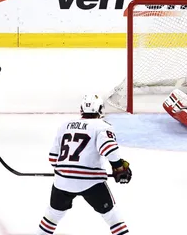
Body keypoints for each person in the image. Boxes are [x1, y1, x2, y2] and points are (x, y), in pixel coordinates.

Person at [36, 94, 132, 235]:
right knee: (112, 217)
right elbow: (109, 150)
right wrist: (119, 168)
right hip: (91, 183)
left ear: (82, 109)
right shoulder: (102, 126)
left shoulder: (64, 126)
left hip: (62, 182)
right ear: (100, 110)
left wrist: (68, 171)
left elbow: (52, 159)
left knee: (51, 217)